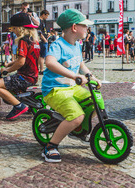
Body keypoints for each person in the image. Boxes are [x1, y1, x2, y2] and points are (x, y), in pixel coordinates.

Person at [41, 9, 101, 163]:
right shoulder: (58, 45)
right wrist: (74, 76)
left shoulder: (76, 45)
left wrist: (92, 78)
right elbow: (50, 62)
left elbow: (82, 67)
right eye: (85, 26)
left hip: (71, 87)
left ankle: (78, 130)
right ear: (74, 28)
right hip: (54, 89)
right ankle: (50, 146)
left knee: (96, 103)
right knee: (76, 116)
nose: (87, 29)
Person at [0, 12, 40, 121]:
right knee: (9, 83)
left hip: (24, 77)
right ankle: (22, 99)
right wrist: (10, 64)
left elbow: (21, 62)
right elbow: (24, 59)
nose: (12, 31)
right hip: (32, 76)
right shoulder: (34, 41)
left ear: (20, 28)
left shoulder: (23, 41)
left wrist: (7, 70)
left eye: (13, 28)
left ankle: (19, 106)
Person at [37, 10, 50, 74]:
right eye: (46, 16)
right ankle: (41, 70)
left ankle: (38, 68)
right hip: (42, 40)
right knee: (42, 55)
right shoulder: (39, 21)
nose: (47, 17)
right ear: (43, 15)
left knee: (40, 56)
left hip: (43, 39)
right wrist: (44, 39)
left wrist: (47, 34)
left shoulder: (43, 21)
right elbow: (39, 31)